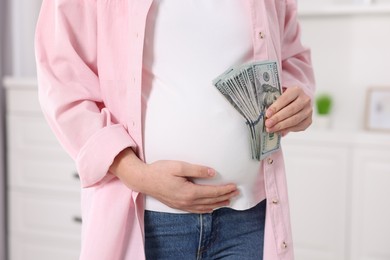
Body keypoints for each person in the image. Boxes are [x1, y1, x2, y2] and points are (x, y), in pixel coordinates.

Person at [35, 0, 315, 259]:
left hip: (249, 220)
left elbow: (291, 58)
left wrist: (295, 100)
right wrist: (136, 174)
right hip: (151, 220)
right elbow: (62, 81)